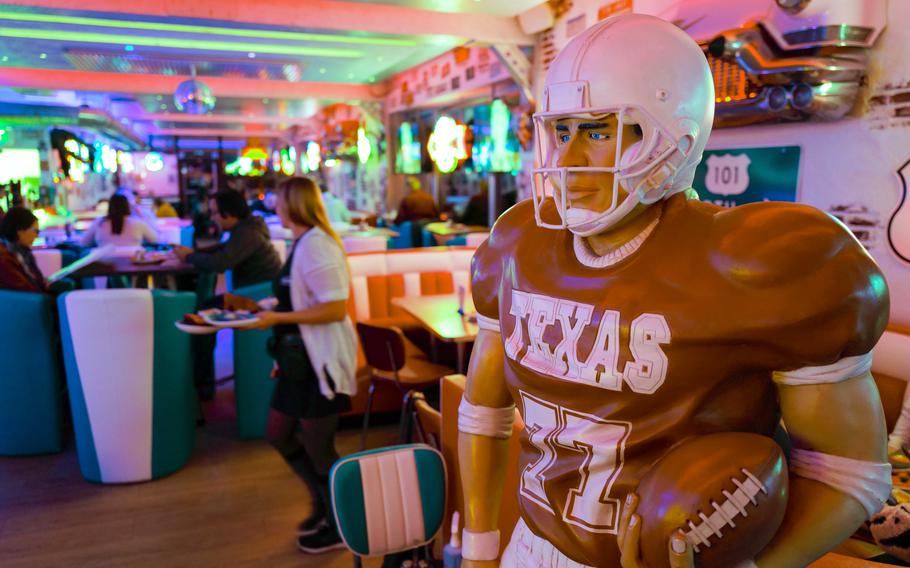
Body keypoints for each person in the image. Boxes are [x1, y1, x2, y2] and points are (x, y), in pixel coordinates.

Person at [459, 14, 890, 568]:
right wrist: (476, 545)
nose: (566, 160)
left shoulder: (753, 263)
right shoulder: (518, 245)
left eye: (597, 131)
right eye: (562, 131)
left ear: (673, 138)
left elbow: (852, 471)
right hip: (532, 544)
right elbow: (482, 411)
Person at [243, 176, 357, 554]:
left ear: (293, 203)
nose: (274, 205)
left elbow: (334, 307)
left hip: (320, 363)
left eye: (278, 199)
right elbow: (299, 299)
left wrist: (275, 320)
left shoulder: (318, 245)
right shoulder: (303, 242)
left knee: (320, 446)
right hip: (298, 362)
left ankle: (342, 523)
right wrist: (263, 309)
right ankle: (323, 505)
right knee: (278, 433)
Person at [174, 190, 282, 399]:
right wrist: (193, 254)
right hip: (254, 294)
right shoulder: (247, 227)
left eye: (216, 213)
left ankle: (202, 386)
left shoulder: (247, 233)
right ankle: (203, 384)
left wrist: (190, 258)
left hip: (257, 299)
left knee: (201, 314)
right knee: (203, 309)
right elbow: (222, 249)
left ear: (229, 213)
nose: (213, 217)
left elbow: (221, 262)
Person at [80, 194, 158, 248]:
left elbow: (83, 242)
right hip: (132, 266)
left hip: (105, 267)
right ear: (128, 206)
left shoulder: (99, 222)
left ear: (110, 207)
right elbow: (155, 240)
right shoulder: (137, 223)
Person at [0, 206, 47, 292]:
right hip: (27, 302)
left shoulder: (23, 251)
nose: (37, 235)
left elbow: (37, 280)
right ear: (20, 232)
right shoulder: (4, 257)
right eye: (35, 231)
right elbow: (24, 288)